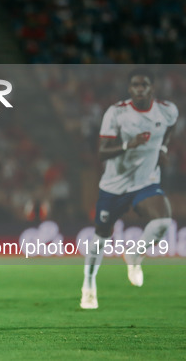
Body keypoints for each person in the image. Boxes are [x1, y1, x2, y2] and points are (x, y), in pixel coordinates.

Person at [80, 68, 178, 309]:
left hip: (145, 182)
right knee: (102, 235)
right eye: (135, 85)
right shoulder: (117, 113)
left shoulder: (167, 110)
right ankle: (89, 284)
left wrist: (163, 149)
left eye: (144, 84)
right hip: (114, 186)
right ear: (129, 88)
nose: (140, 89)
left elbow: (171, 127)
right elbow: (102, 152)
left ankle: (134, 255)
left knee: (163, 221)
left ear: (152, 87)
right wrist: (128, 144)